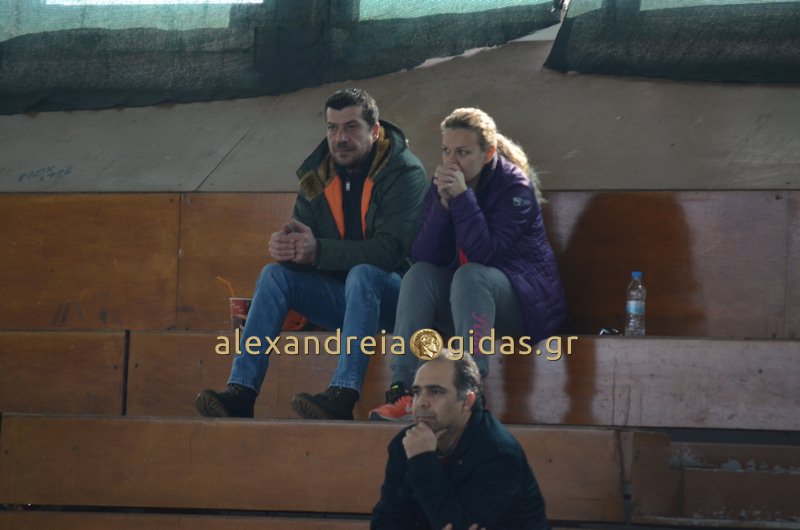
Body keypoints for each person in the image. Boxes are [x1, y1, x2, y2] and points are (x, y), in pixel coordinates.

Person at [195, 88, 429, 420]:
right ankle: (241, 392)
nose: (340, 138)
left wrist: (317, 251)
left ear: (375, 131)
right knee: (274, 276)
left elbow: (389, 252)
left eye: (351, 127)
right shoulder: (316, 173)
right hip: (347, 301)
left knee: (364, 274)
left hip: (400, 300)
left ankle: (343, 394)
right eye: (333, 128)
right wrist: (290, 250)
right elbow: (308, 250)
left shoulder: (405, 172)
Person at [370, 107, 566, 421]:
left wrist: (462, 198)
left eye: (462, 152)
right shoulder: (443, 185)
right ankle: (403, 389)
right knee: (419, 274)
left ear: (488, 154)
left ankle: (470, 395)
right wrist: (443, 206)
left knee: (472, 275)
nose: (452, 161)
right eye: (446, 151)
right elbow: (424, 256)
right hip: (469, 304)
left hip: (524, 307)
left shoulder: (515, 188)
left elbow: (485, 255)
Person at [371, 352, 551, 529]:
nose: (421, 402)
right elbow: (384, 523)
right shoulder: (405, 443)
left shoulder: (499, 452)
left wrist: (422, 461)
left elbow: (457, 525)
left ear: (467, 401)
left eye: (435, 392)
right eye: (417, 392)